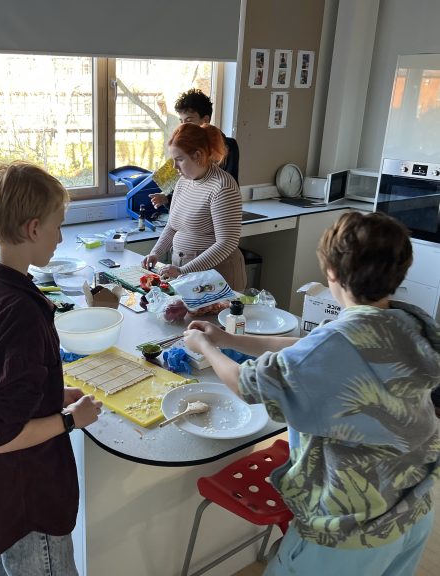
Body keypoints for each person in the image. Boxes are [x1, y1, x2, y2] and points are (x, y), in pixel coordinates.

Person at [183, 211, 440, 576]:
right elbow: (308, 346)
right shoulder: (404, 322)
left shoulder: (338, 342)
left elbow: (247, 385)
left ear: (332, 274)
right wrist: (227, 338)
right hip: (411, 509)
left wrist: (206, 348)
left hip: (352, 528)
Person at [0, 162, 102, 575]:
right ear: (32, 229)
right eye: (57, 226)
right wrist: (70, 419)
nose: (60, 238)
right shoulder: (19, 313)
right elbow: (3, 436)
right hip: (24, 503)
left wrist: (53, 395)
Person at [142, 122, 246, 291]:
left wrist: (183, 270)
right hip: (186, 274)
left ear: (198, 156)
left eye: (179, 159)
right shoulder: (183, 182)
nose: (174, 166)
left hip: (217, 279)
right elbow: (172, 225)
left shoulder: (222, 186)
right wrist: (155, 253)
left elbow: (227, 242)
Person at [150, 88, 240, 210]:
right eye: (181, 121)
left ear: (205, 120)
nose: (183, 126)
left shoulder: (226, 146)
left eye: (189, 120)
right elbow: (183, 183)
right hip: (187, 211)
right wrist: (167, 197)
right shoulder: (183, 147)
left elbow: (228, 189)